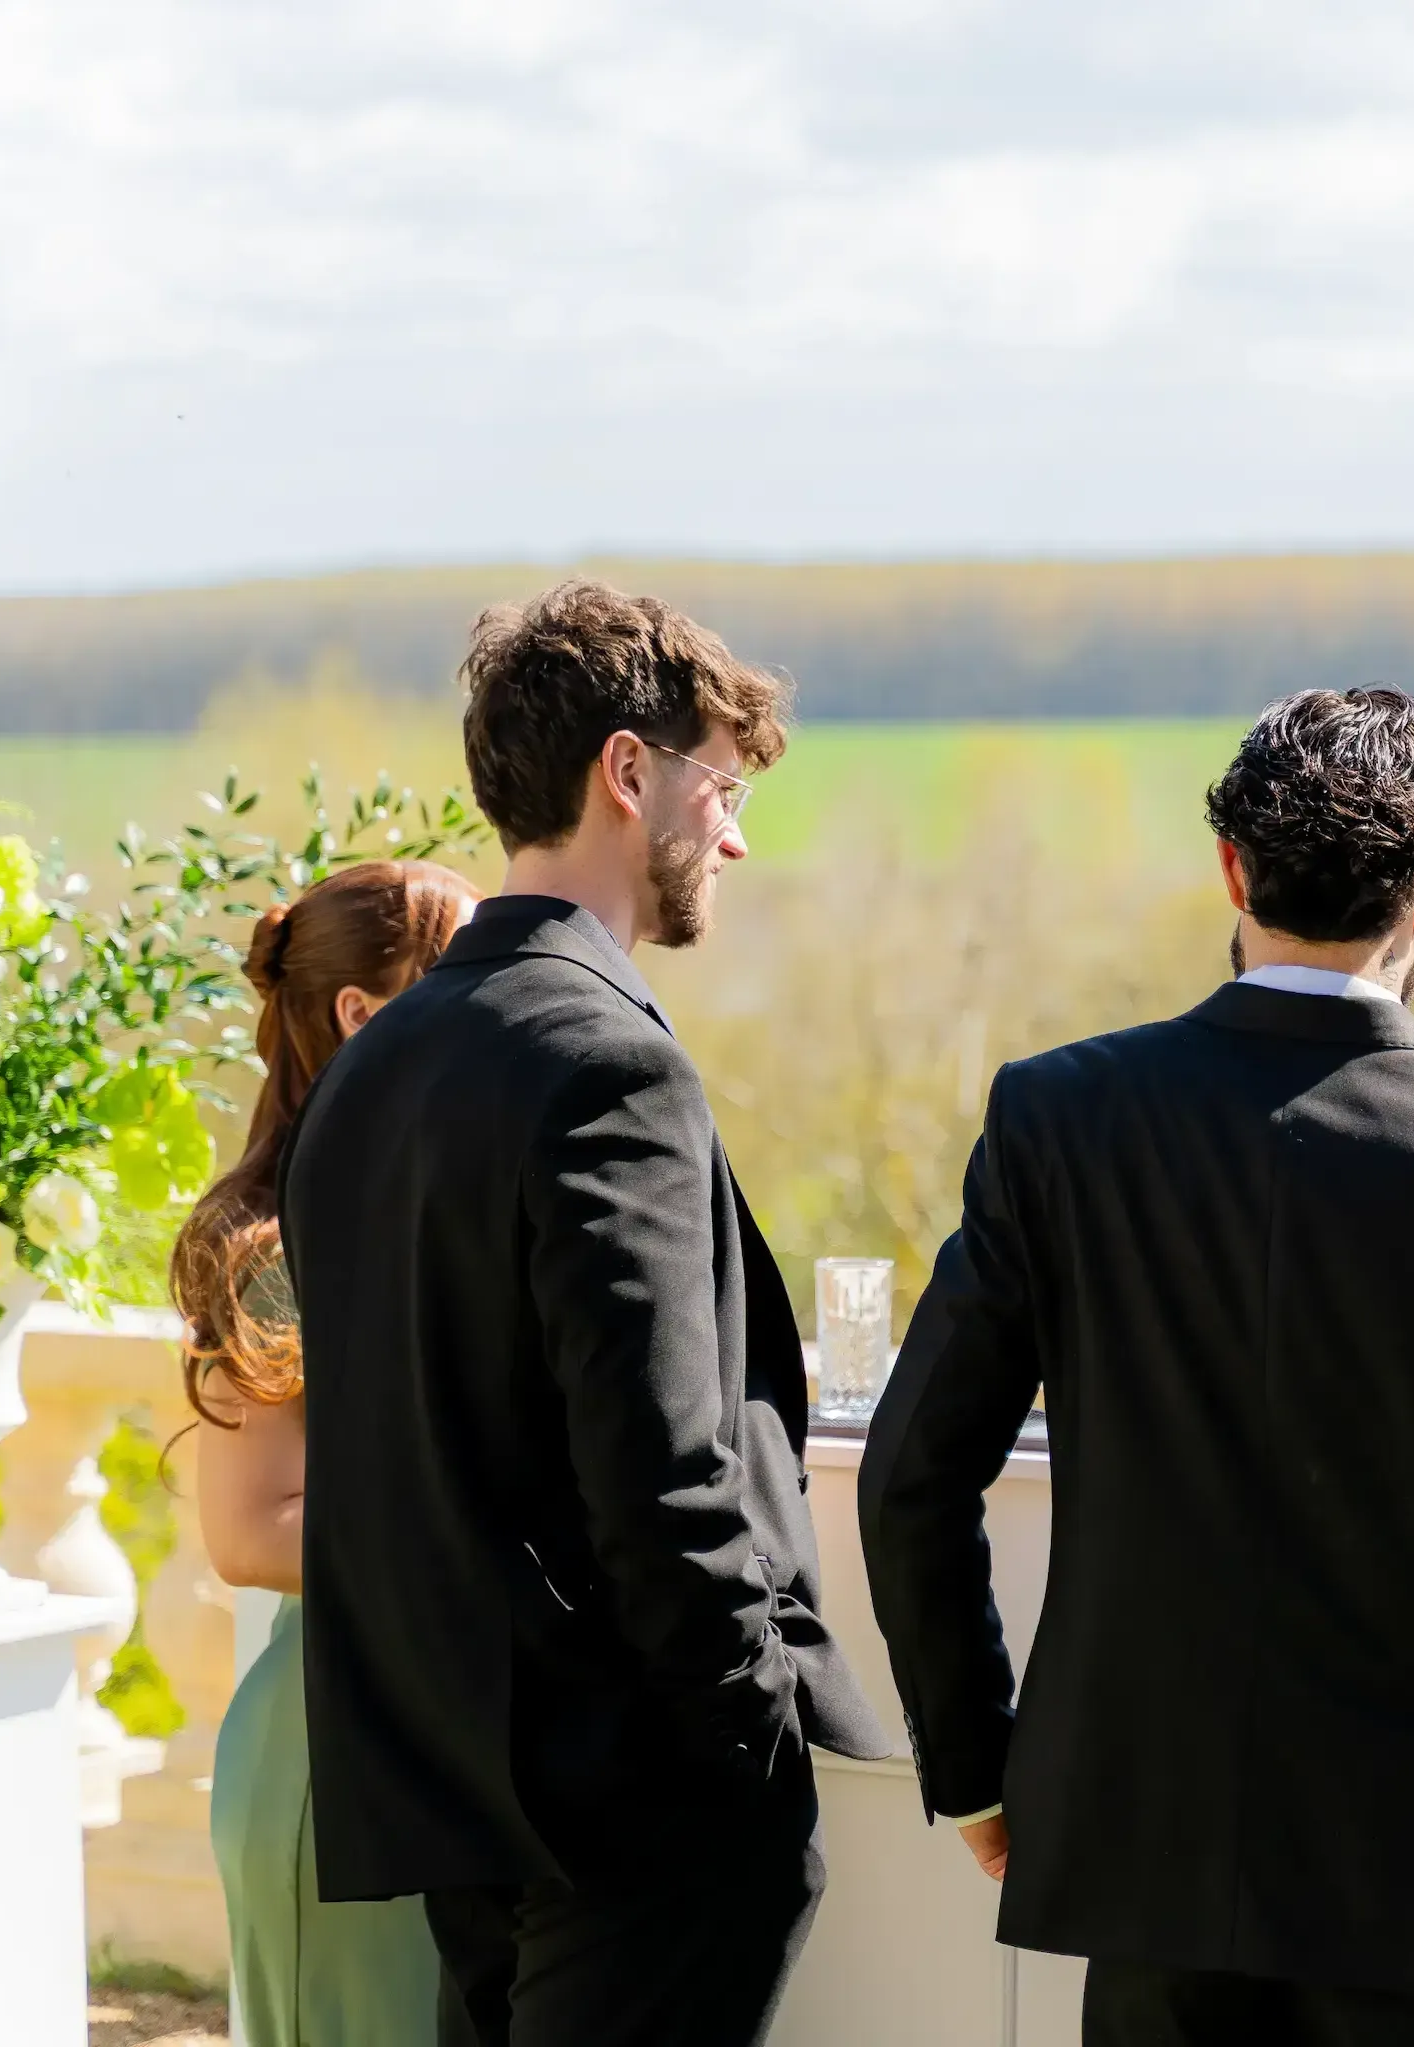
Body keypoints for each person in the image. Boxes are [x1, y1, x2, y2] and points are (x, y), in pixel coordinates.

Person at [859, 688, 1414, 2047]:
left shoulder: (1059, 1117)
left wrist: (980, 1765)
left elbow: (909, 1474)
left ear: (1233, 868)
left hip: (1148, 1864)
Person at [279, 580, 887, 2047]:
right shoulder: (608, 1060)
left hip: (453, 1791)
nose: (732, 834)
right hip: (630, 1799)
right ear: (629, 773)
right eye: (720, 788)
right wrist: (746, 1737)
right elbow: (664, 1464)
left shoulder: (374, 1065)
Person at [177, 859, 481, 2047]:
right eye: (458, 982)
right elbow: (249, 1532)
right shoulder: (273, 1241)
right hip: (332, 1759)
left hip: (438, 1754)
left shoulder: (421, 1196)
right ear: (364, 1013)